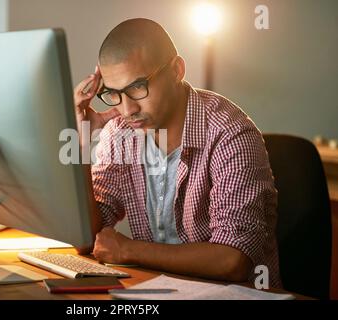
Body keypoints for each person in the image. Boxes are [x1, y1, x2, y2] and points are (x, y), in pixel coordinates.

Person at [73, 18, 280, 287]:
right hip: (159, 291)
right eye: (114, 94)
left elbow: (233, 260)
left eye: (137, 87)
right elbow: (89, 239)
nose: (127, 110)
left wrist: (128, 250)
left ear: (176, 70)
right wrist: (81, 146)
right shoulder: (120, 131)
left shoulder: (230, 134)